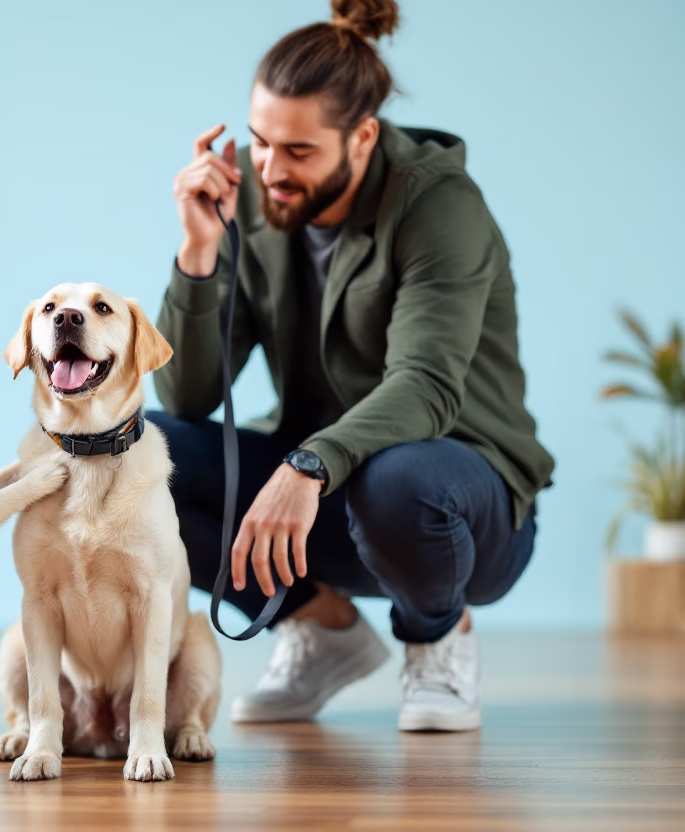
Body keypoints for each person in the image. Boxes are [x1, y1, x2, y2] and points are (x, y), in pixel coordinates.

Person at [149, 0, 554, 732]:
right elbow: (186, 392)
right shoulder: (246, 189)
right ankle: (319, 629)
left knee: (395, 477)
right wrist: (199, 252)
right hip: (326, 501)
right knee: (140, 452)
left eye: (298, 152)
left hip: (458, 504)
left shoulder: (439, 205)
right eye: (259, 141)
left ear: (363, 137)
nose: (270, 169)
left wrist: (307, 464)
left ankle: (438, 639)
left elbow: (427, 387)